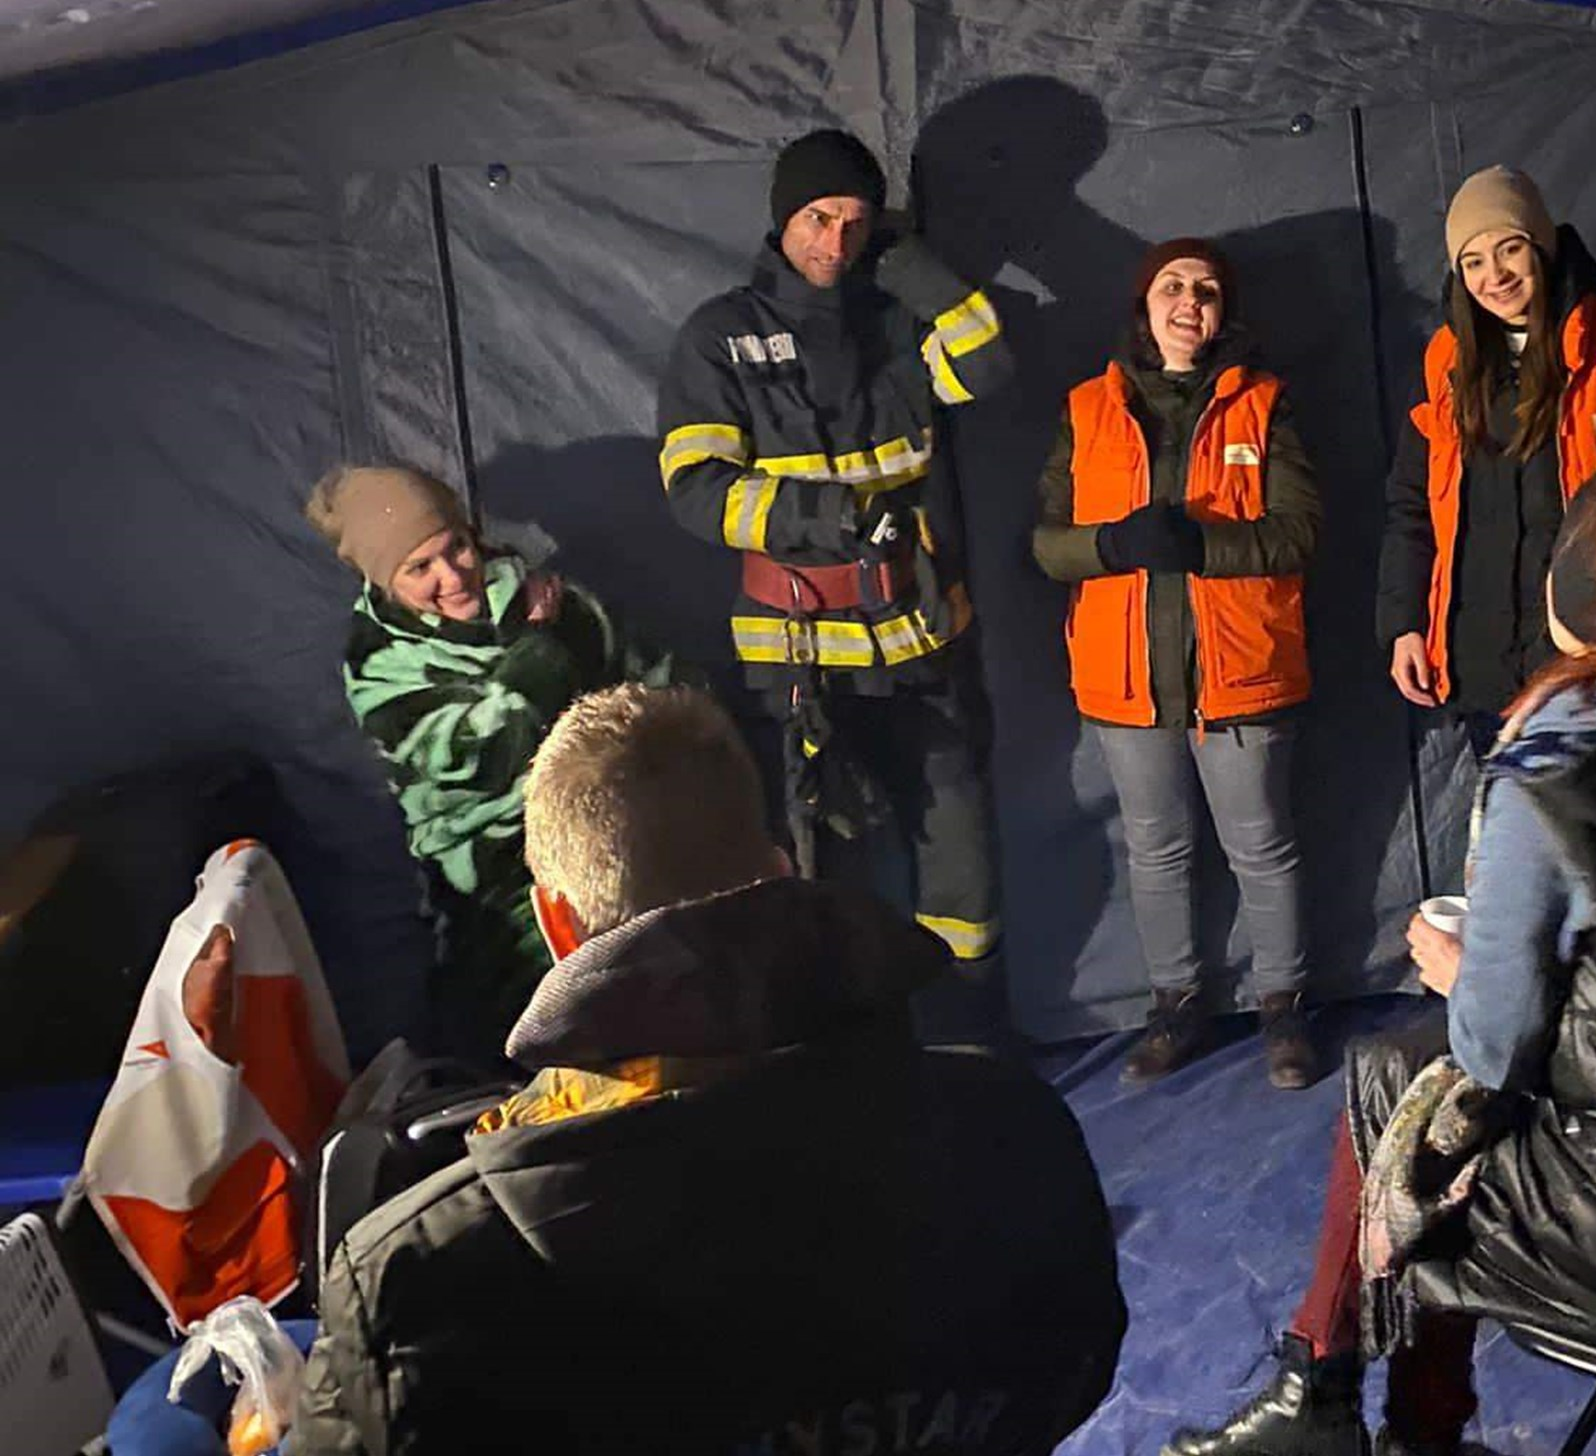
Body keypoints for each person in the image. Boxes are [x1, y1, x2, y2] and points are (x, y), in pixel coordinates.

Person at [1162, 465, 1596, 1456]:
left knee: (1401, 1078)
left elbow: (1493, 1051)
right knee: (1414, 1073)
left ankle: (1374, 1415)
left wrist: (1465, 972)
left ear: (1580, 588)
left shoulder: (1557, 771)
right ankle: (1325, 1393)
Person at [290, 683, 1127, 1456]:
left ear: (557, 923)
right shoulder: (1017, 1136)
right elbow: (1068, 1377)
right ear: (777, 872)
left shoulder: (416, 1285)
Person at [656, 128, 1012, 1036]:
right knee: (824, 868)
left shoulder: (896, 315)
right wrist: (824, 519)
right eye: (820, 219)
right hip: (803, 662)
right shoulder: (721, 337)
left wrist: (910, 261)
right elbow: (694, 491)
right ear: (783, 219)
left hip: (921, 638)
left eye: (857, 223)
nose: (836, 243)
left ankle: (967, 1037)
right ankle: (844, 1055)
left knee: (960, 854)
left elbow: (988, 362)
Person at [1032, 238, 1323, 1088]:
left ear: (1224, 311)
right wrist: (1111, 544)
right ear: (1144, 305)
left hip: (1242, 670)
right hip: (1127, 679)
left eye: (1205, 290)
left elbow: (1298, 530)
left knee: (1262, 846)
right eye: (1172, 286)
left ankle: (1285, 1008)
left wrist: (1205, 544)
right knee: (1156, 852)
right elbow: (1048, 545)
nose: (1189, 301)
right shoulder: (1086, 407)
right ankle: (1176, 1005)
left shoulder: (1265, 404)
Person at [306, 463, 673, 1057]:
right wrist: (539, 654)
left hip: (614, 839)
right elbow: (484, 753)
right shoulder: (381, 665)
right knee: (525, 1030)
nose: (452, 577)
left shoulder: (553, 601)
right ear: (383, 581)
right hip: (492, 874)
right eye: (419, 568)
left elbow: (659, 687)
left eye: (456, 548)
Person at [1379, 164, 1596, 764]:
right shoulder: (1446, 363)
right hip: (1482, 667)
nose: (1496, 276)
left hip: (1590, 668)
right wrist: (1405, 623)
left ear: (1542, 245)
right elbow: (1412, 505)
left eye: (1510, 248)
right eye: (1475, 261)